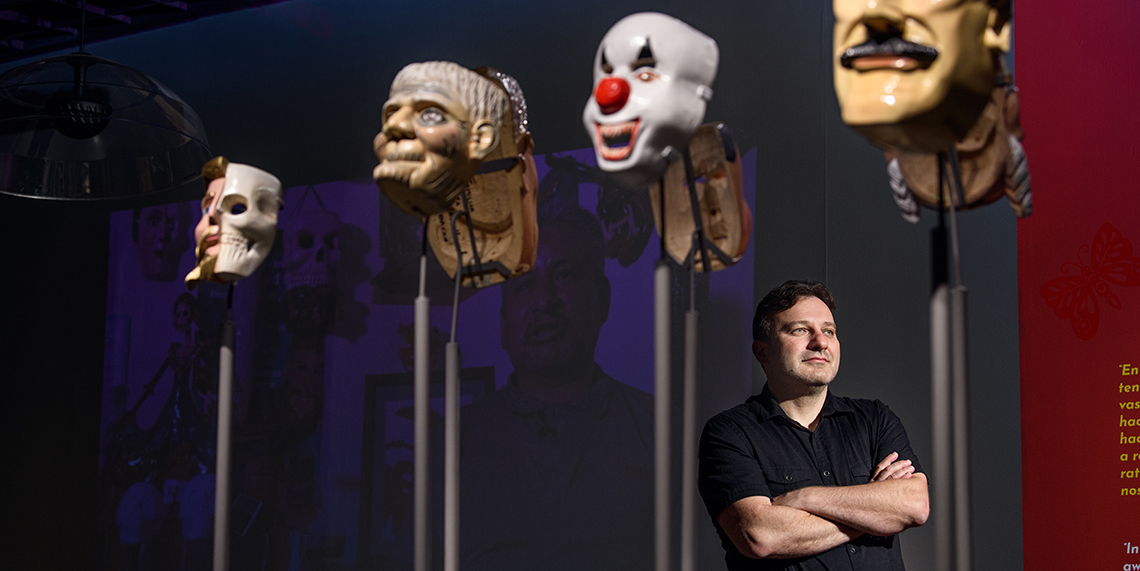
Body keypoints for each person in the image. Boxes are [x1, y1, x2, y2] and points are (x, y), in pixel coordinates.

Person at [456, 198, 654, 571]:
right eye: (524, 286)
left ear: (602, 299)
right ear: (503, 321)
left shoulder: (662, 434)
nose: (544, 302)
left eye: (564, 276)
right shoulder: (454, 445)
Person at [698, 280, 928, 570]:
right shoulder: (730, 433)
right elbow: (760, 535)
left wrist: (803, 497)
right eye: (800, 330)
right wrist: (876, 513)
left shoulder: (875, 419)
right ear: (762, 352)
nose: (820, 342)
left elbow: (914, 505)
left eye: (829, 331)